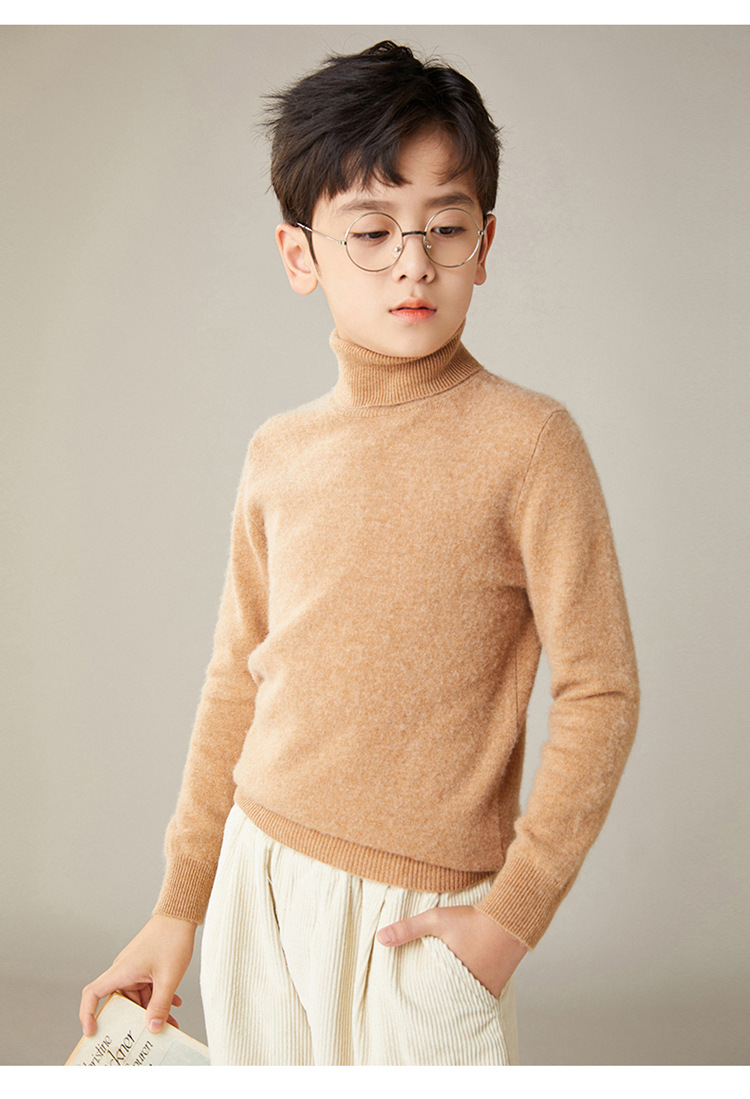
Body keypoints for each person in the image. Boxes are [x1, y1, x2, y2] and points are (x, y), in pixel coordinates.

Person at [79, 40, 639, 1066]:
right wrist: (179, 903)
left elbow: (601, 689)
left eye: (444, 227)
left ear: (485, 241)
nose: (413, 262)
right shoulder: (278, 451)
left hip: (420, 917)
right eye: (372, 231)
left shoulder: (530, 443)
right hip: (257, 879)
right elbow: (235, 682)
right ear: (301, 255)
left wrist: (510, 917)